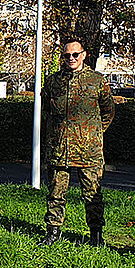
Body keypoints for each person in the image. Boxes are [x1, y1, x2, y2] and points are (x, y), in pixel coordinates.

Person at [41, 37, 114, 246]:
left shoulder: (97, 81)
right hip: (59, 149)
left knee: (92, 194)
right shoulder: (53, 81)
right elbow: (46, 111)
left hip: (88, 150)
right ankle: (53, 232)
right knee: (55, 193)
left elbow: (108, 111)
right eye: (66, 55)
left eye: (75, 54)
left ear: (83, 55)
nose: (71, 58)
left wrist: (94, 133)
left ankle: (96, 235)